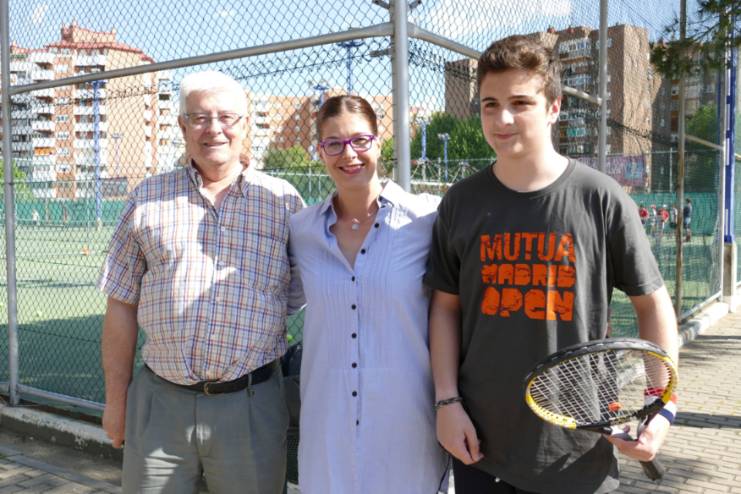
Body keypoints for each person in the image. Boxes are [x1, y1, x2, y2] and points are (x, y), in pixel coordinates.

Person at [424, 35, 678, 494]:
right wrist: (446, 402)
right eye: (490, 104)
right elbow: (445, 307)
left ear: (553, 108)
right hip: (479, 445)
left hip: (577, 454)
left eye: (520, 103)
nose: (502, 118)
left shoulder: (601, 198)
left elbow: (653, 304)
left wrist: (660, 407)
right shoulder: (460, 202)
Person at [98, 70, 304, 494]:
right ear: (182, 126)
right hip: (160, 408)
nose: (214, 129)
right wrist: (116, 402)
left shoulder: (283, 202)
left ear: (245, 124)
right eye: (200, 117)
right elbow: (120, 304)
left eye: (227, 117)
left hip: (251, 408)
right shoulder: (146, 199)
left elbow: (298, 293)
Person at [288, 95, 448, 494]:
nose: (349, 154)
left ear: (378, 142)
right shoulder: (301, 230)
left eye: (360, 140)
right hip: (328, 428)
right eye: (334, 143)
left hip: (406, 426)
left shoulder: (427, 219)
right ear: (320, 151)